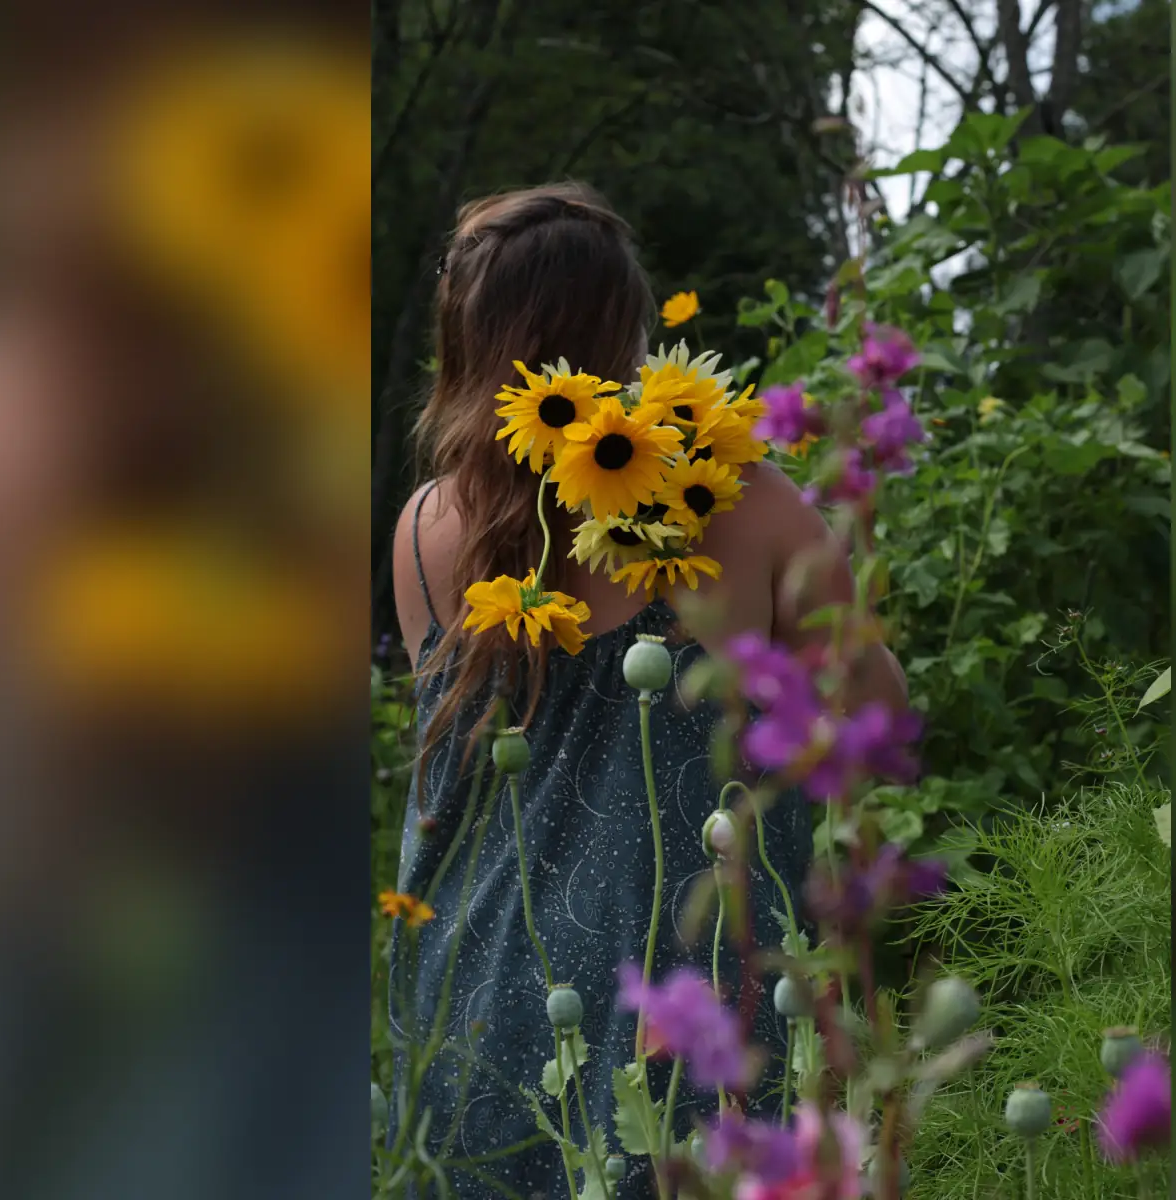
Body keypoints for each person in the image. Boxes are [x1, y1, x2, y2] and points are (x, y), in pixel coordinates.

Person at [388, 182, 906, 1194]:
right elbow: (874, 702)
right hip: (682, 1006)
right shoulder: (739, 500)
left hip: (470, 992)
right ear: (624, 333)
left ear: (465, 341)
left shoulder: (419, 527)